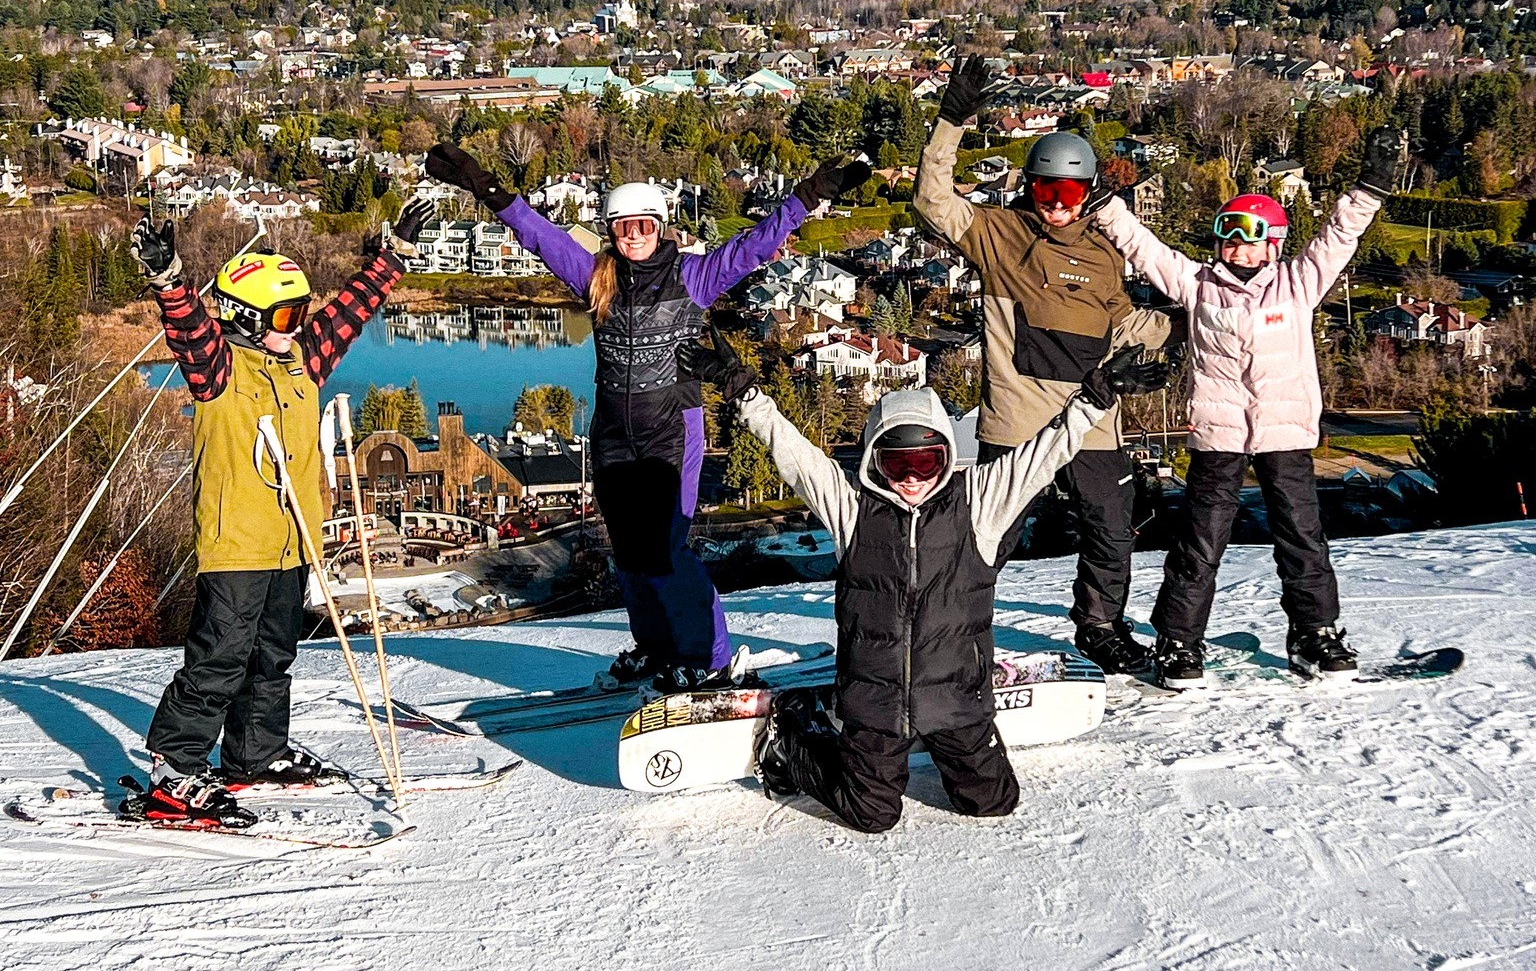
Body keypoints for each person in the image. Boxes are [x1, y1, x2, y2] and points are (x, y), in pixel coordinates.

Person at [424, 142, 870, 689]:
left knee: (669, 549)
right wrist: (488, 189)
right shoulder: (595, 278)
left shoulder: (693, 278)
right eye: (621, 227)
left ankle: (709, 656)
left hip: (670, 431)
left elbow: (752, 248)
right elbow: (542, 237)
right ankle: (657, 647)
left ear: (660, 226)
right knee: (631, 554)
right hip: (612, 434)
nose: (631, 236)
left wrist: (806, 198)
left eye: (642, 226)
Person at [681, 329, 1163, 833]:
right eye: (896, 463)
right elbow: (796, 455)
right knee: (872, 815)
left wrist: (1096, 395)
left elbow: (1047, 450)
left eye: (925, 462)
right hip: (875, 705)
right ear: (873, 461)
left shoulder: (979, 502)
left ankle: (935, 745)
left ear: (946, 457)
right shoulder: (853, 511)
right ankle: (794, 740)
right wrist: (743, 391)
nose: (911, 478)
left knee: (994, 801)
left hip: (957, 700)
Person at [129, 196, 434, 827]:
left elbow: (350, 312)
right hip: (237, 541)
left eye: (300, 312)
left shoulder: (303, 358)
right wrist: (169, 281)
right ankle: (174, 769)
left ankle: (255, 753)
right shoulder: (219, 369)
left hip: (295, 538)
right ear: (243, 316)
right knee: (221, 656)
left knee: (274, 653)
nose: (298, 324)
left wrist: (390, 259)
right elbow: (188, 329)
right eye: (285, 313)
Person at [1090, 129, 1400, 686]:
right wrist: (1106, 207)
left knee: (1301, 535)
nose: (1237, 250)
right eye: (1229, 241)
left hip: (1285, 433)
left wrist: (1370, 187)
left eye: (1249, 241)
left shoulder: (1298, 285)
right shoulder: (1198, 285)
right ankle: (1179, 641)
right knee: (1201, 542)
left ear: (1273, 245)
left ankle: (1315, 634)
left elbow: (1339, 236)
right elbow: (1143, 247)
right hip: (1219, 433)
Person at [914, 55, 1177, 675]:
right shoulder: (998, 235)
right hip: (1018, 421)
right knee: (988, 536)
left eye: (1071, 192)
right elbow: (932, 201)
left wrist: (1188, 324)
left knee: (1112, 531)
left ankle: (1100, 628)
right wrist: (952, 118)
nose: (1056, 204)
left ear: (1088, 196)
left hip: (1092, 419)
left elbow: (1125, 323)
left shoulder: (1106, 253)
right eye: (1045, 190)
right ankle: (945, 630)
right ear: (1028, 188)